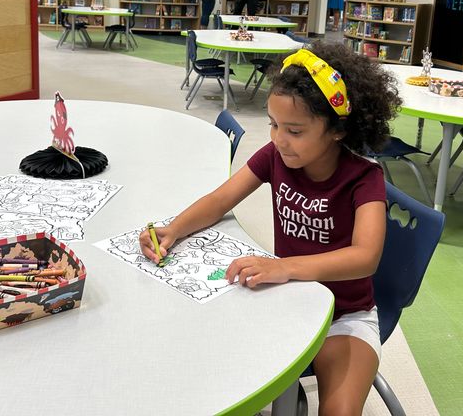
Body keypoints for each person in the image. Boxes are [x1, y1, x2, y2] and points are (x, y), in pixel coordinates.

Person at [140, 41, 402, 414]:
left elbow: (365, 257)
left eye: (294, 130)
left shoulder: (364, 177)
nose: (278, 139)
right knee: (202, 367)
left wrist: (284, 266)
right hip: (284, 298)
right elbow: (220, 200)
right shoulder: (275, 156)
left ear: (338, 131)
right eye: (273, 124)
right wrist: (174, 228)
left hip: (344, 315)